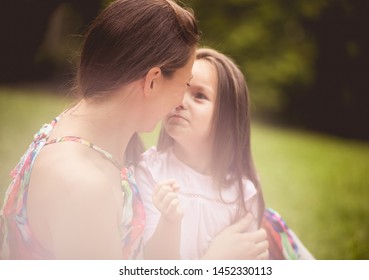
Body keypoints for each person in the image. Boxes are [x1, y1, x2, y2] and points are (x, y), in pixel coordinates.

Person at [0, 0, 200, 260]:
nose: (181, 100)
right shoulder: (83, 186)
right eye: (185, 83)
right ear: (152, 81)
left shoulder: (76, 128)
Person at [135, 47, 314, 260]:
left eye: (199, 96)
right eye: (179, 89)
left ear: (227, 119)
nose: (180, 102)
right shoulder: (149, 171)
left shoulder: (242, 192)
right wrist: (169, 222)